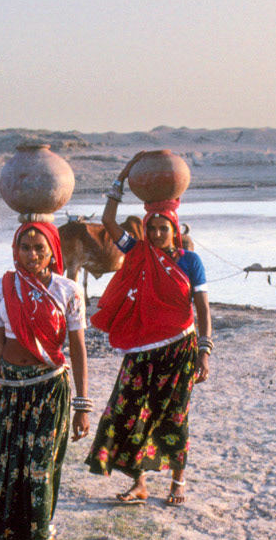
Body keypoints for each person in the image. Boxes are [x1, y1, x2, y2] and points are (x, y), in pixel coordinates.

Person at [0, 220, 91, 540]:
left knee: (40, 468)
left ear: (54, 249)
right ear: (14, 250)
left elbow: (78, 349)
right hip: (9, 391)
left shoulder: (67, 291)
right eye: (25, 247)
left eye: (40, 247)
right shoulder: (4, 288)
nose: (32, 254)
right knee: (11, 467)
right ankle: (35, 533)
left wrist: (82, 405)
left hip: (49, 390)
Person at [85, 152, 212, 506]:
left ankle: (177, 480)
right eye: (152, 228)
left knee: (174, 414)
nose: (156, 234)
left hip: (180, 350)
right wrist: (122, 178)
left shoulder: (190, 262)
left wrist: (204, 350)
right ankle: (139, 482)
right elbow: (109, 221)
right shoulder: (138, 251)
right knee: (126, 411)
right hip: (142, 349)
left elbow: (202, 308)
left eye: (163, 228)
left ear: (174, 229)